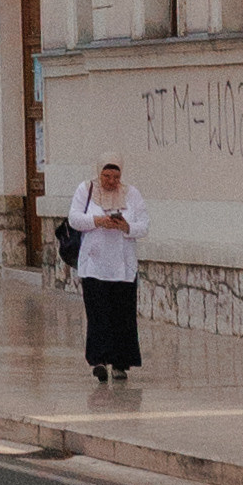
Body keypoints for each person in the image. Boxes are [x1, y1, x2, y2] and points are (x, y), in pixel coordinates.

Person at [70, 158, 150, 381]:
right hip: (94, 265)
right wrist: (98, 220)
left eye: (116, 177)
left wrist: (126, 226)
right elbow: (74, 218)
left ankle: (120, 364)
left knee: (122, 316)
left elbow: (144, 224)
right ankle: (99, 361)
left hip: (123, 267)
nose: (111, 181)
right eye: (107, 176)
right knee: (98, 315)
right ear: (99, 173)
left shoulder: (131, 194)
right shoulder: (86, 190)